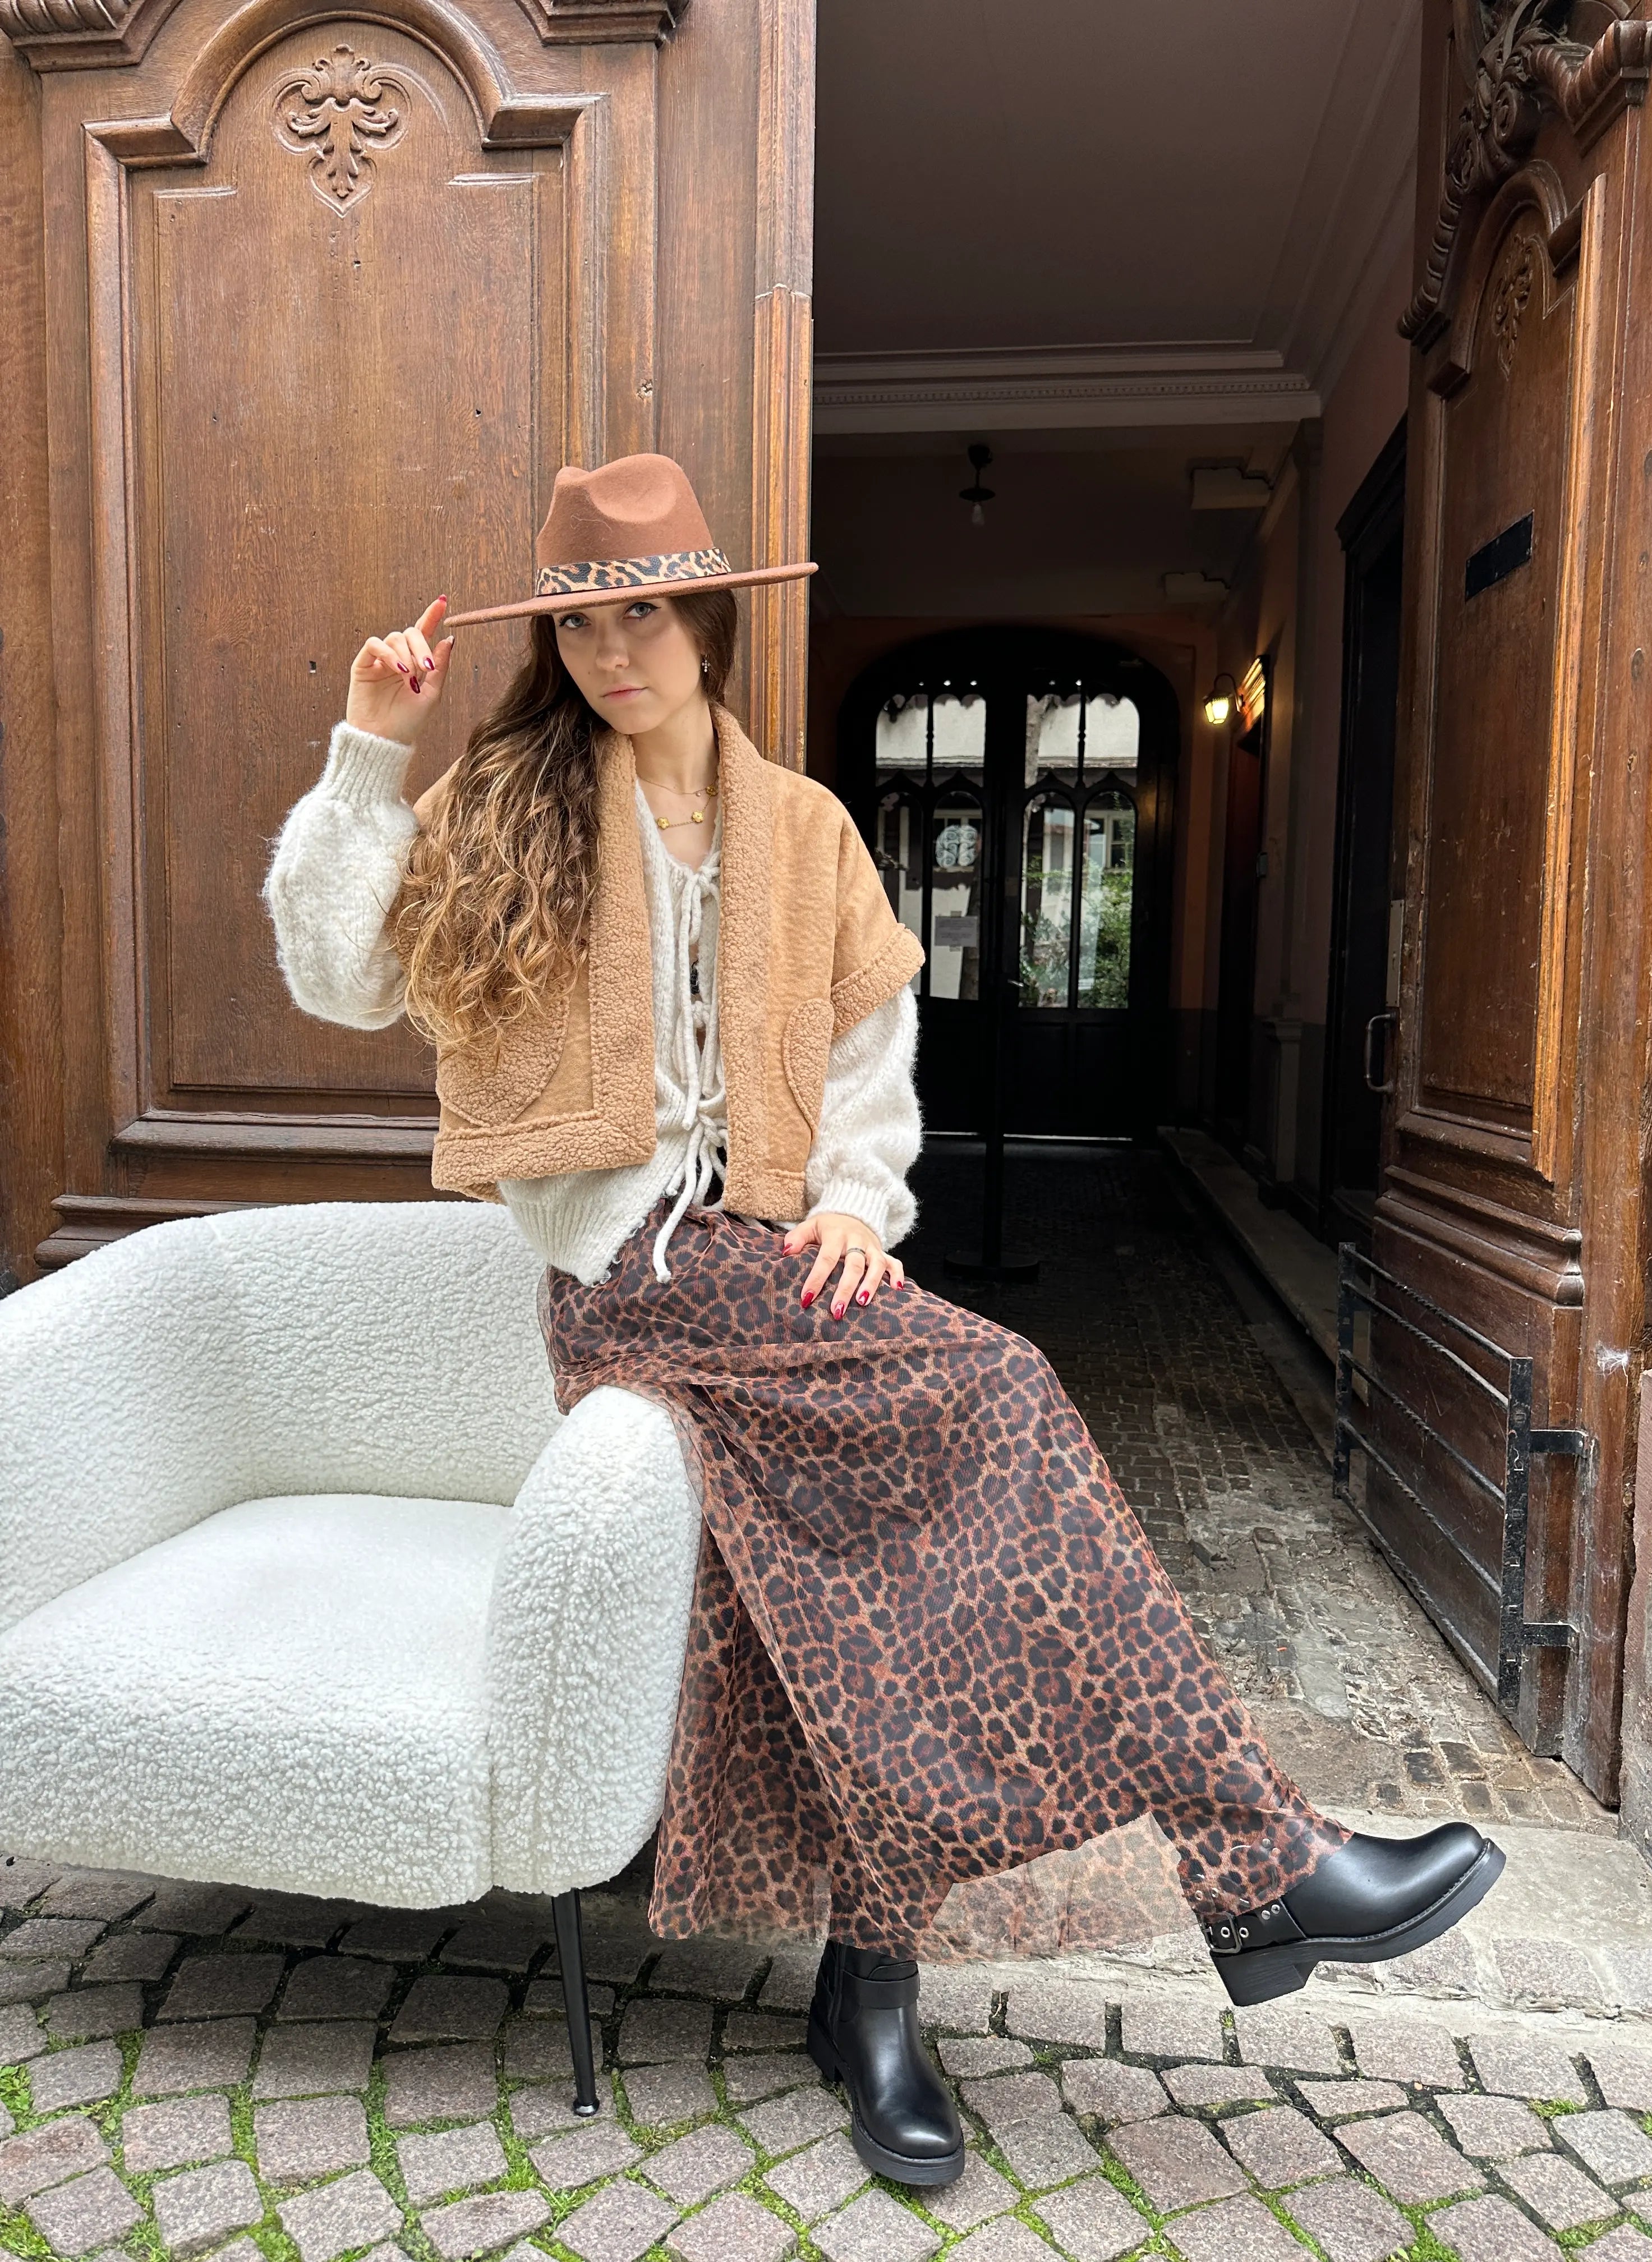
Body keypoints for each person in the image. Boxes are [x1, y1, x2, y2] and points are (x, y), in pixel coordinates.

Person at [262, 453, 1504, 2190]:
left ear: (707, 621)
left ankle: (876, 1991)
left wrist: (856, 1202)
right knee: (999, 1385)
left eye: (645, 618)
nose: (614, 657)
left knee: (850, 1622)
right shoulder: (507, 803)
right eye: (583, 630)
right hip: (629, 1284)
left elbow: (869, 1051)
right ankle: (1263, 1859)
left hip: (772, 1272)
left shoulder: (805, 832)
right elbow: (339, 977)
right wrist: (367, 749)